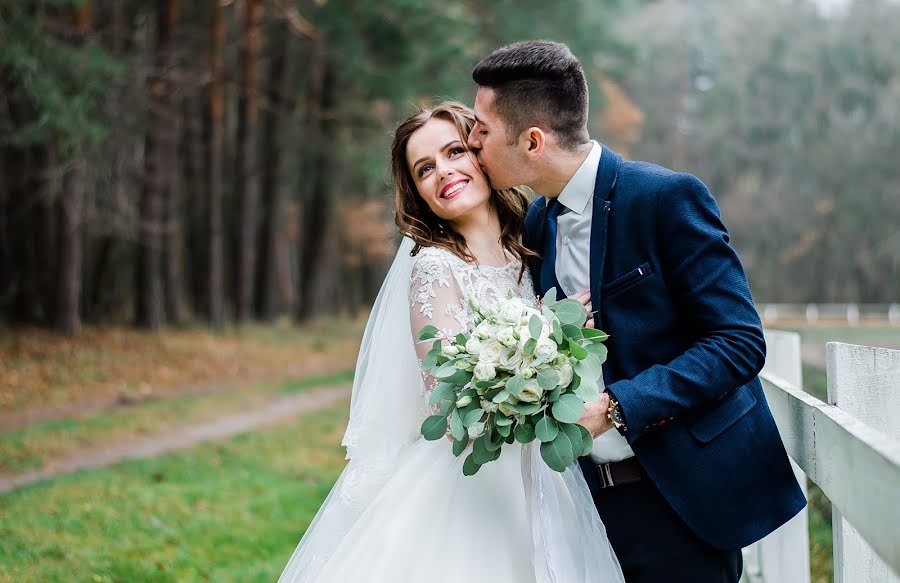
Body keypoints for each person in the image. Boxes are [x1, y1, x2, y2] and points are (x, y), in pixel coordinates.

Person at [466, 40, 807, 583]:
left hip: (679, 504)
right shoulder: (537, 223)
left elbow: (738, 341)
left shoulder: (665, 199)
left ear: (532, 140)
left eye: (481, 129)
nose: (472, 141)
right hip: (584, 509)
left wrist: (616, 407)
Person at [276, 101, 624, 583]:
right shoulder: (436, 267)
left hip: (542, 477)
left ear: (481, 154)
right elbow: (448, 401)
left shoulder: (532, 249)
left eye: (454, 151)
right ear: (418, 192)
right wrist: (544, 344)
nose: (444, 172)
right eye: (424, 169)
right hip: (470, 484)